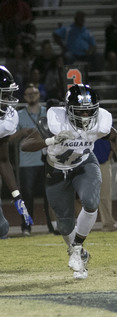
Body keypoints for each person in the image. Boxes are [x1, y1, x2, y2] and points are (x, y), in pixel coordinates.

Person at [21, 84, 117, 279]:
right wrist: (51, 140)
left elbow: (114, 136)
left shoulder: (100, 121)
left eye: (89, 110)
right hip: (56, 170)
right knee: (63, 224)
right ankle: (80, 254)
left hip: (84, 164)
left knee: (90, 201)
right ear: (68, 110)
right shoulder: (54, 120)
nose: (86, 115)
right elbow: (25, 145)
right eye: (81, 111)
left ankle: (78, 248)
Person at [12, 83, 52, 235]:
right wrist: (21, 132)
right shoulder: (19, 114)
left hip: (46, 159)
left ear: (39, 95)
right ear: (24, 97)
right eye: (28, 94)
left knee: (49, 194)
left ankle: (52, 225)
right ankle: (26, 227)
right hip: (27, 162)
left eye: (34, 93)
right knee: (27, 196)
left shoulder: (47, 112)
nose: (31, 96)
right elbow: (10, 139)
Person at [0, 65, 33, 238]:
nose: (8, 100)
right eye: (4, 94)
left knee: (2, 228)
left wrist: (17, 196)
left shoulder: (9, 117)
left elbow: (3, 160)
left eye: (9, 94)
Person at [92, 136, 117, 231]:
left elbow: (114, 136)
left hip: (102, 160)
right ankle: (80, 225)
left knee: (104, 194)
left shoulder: (106, 120)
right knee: (79, 195)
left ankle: (108, 223)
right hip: (82, 161)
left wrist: (111, 151)